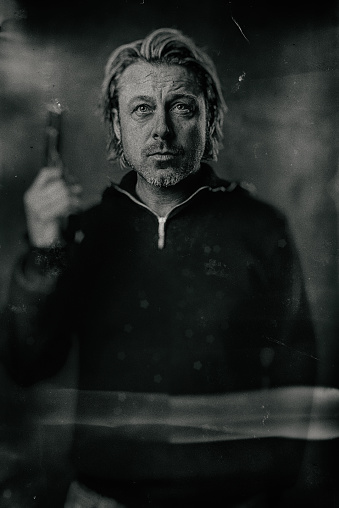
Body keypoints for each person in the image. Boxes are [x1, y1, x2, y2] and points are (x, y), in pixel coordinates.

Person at [1, 28, 316, 507]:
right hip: (102, 498)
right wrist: (45, 248)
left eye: (182, 107)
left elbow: (297, 369)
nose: (161, 130)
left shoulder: (260, 229)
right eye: (142, 108)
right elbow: (26, 364)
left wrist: (270, 482)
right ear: (117, 125)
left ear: (209, 120)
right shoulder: (83, 233)